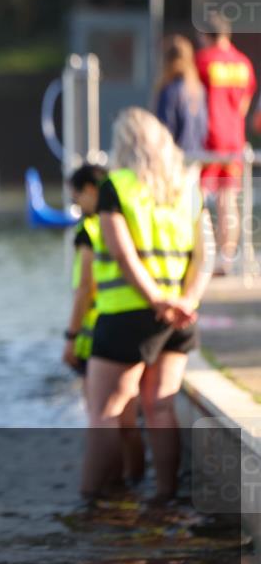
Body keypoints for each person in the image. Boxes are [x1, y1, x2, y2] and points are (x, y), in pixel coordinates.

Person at [81, 107, 214, 502]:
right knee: (161, 408)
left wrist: (156, 299)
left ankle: (89, 502)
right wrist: (185, 301)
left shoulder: (116, 187)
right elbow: (205, 257)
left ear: (123, 144)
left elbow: (123, 255)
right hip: (179, 317)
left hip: (127, 315)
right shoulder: (188, 189)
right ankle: (165, 498)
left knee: (104, 414)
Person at [64, 164, 144, 486]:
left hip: (98, 336)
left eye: (78, 197)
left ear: (91, 190)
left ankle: (102, 491)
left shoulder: (90, 231)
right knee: (127, 419)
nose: (78, 205)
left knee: (100, 416)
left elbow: (86, 287)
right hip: (133, 324)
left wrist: (70, 336)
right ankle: (135, 479)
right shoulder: (131, 222)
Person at [195, 12, 256, 273]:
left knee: (195, 196)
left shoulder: (202, 61)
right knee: (228, 200)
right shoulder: (244, 63)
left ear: (205, 35)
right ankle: (226, 259)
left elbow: (191, 99)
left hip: (208, 139)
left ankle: (199, 255)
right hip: (234, 139)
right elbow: (244, 104)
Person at [155, 35, 208, 154]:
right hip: (197, 157)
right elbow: (203, 129)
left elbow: (165, 130)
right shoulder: (199, 90)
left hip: (175, 158)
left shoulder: (170, 91)